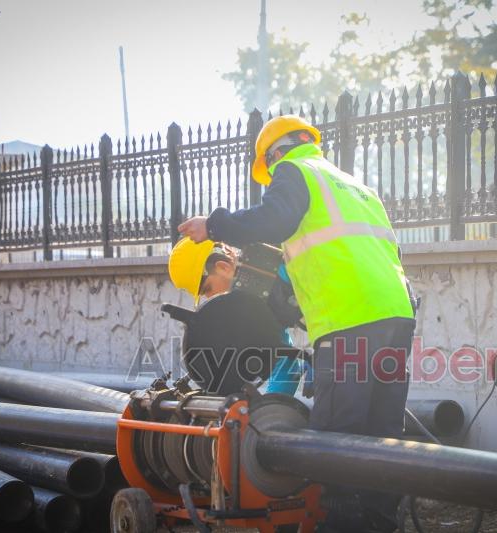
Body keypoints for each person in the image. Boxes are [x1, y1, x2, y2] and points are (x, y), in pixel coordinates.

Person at [178, 114, 415, 532]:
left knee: (335, 438)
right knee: (382, 434)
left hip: (350, 319)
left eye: (268, 171)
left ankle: (339, 527)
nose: (271, 179)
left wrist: (214, 225)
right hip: (395, 313)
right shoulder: (354, 186)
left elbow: (274, 220)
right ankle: (380, 525)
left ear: (275, 154)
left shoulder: (294, 170)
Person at [168, 237, 308, 395]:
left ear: (223, 267)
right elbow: (284, 358)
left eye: (207, 289)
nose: (209, 297)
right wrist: (269, 409)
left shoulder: (280, 272)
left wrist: (327, 360)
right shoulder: (250, 303)